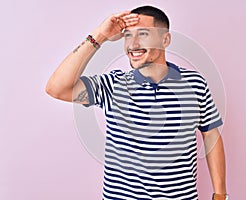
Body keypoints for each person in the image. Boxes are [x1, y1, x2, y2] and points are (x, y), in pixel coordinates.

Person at [46, 5, 228, 200]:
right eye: (127, 36)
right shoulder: (113, 85)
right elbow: (56, 88)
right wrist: (99, 35)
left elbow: (211, 135)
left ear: (165, 39)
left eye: (143, 34)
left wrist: (220, 195)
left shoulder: (195, 84)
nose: (132, 44)